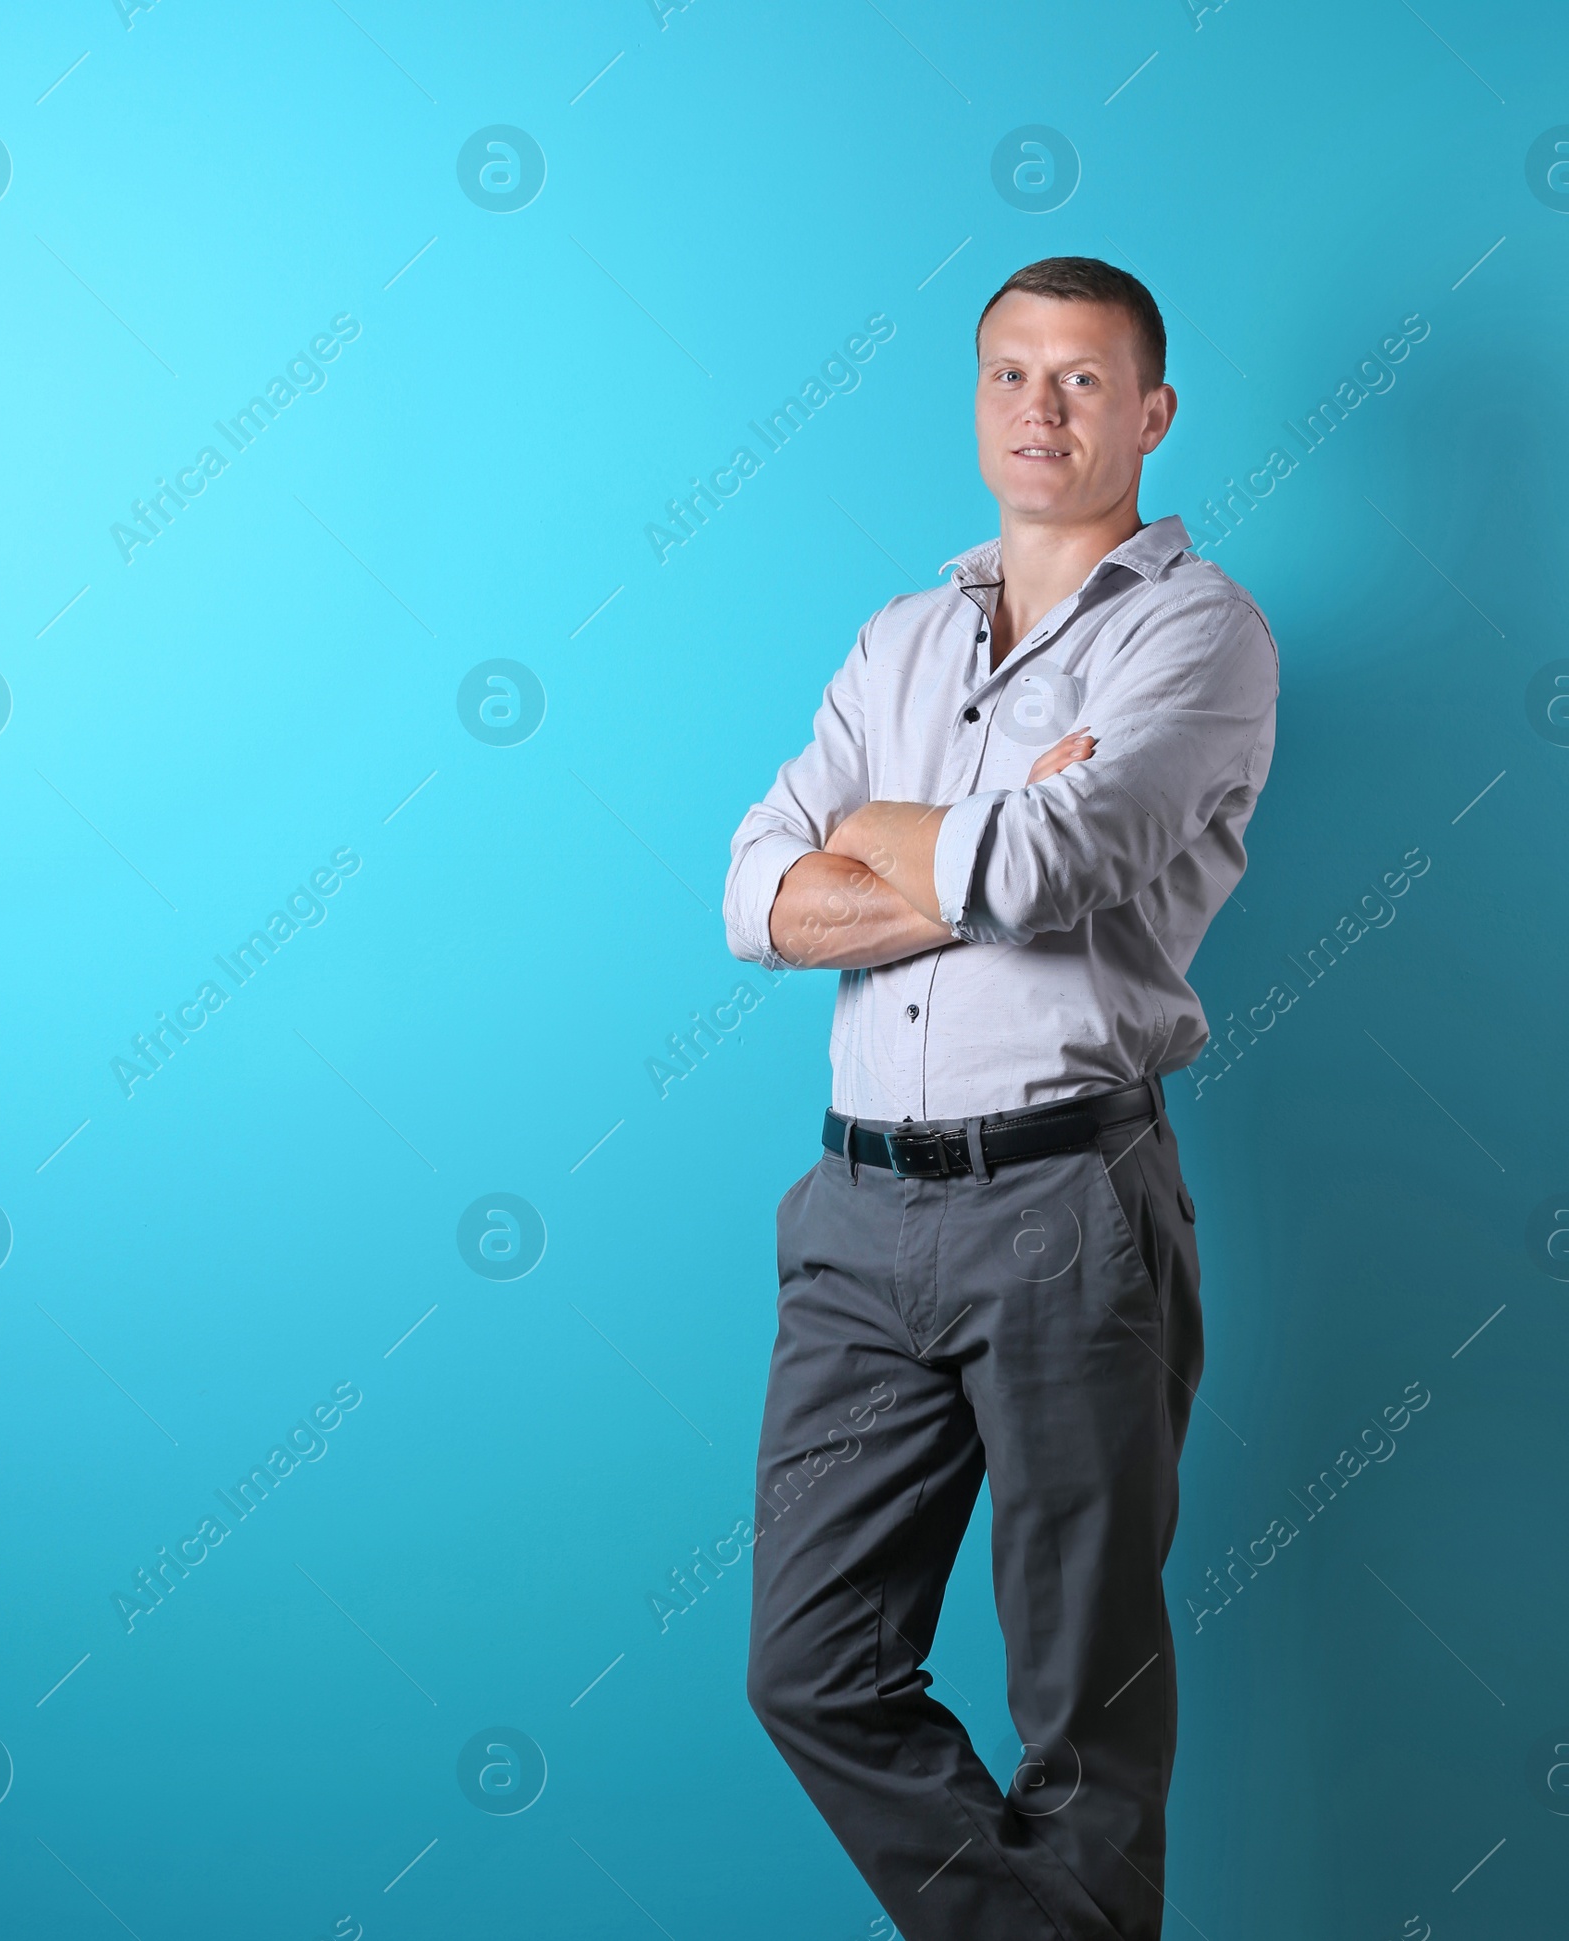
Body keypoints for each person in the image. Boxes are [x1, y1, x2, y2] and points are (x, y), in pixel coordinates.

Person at [722, 257, 1278, 1941]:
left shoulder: (1203, 631)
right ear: (978, 405)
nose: (1044, 409)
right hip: (853, 1215)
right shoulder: (898, 636)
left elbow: (1054, 865)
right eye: (1012, 376)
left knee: (1081, 1709)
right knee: (809, 1667)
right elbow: (752, 897)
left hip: (1065, 1207)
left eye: (1085, 380)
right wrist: (968, 833)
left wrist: (891, 832)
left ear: (1152, 415)